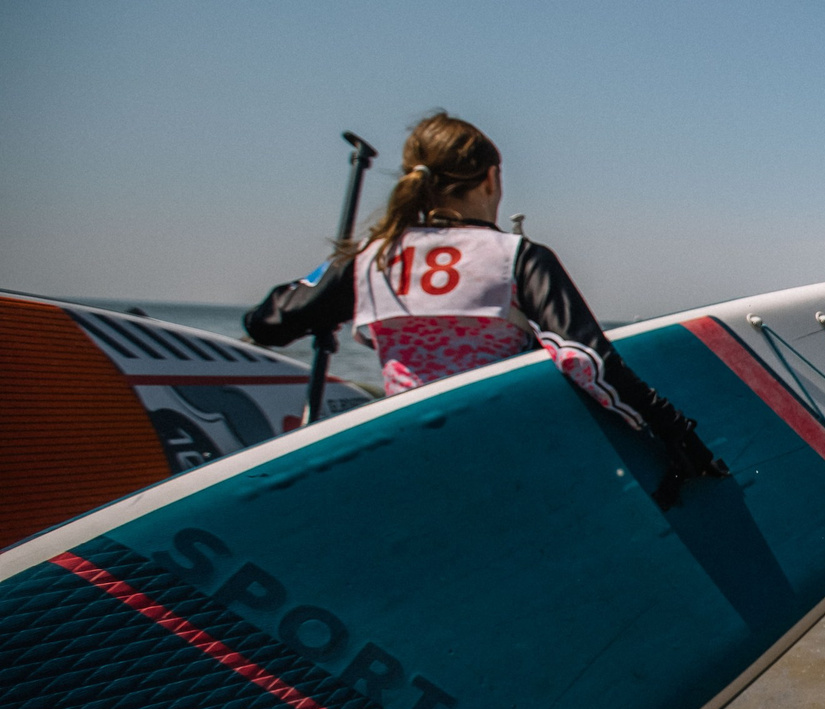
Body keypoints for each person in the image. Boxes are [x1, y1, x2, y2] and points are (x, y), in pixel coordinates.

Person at [247, 111, 726, 504]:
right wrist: (674, 432)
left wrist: (332, 276)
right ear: (492, 179)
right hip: (503, 458)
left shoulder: (370, 258)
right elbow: (586, 361)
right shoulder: (516, 256)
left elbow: (269, 323)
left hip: (404, 459)